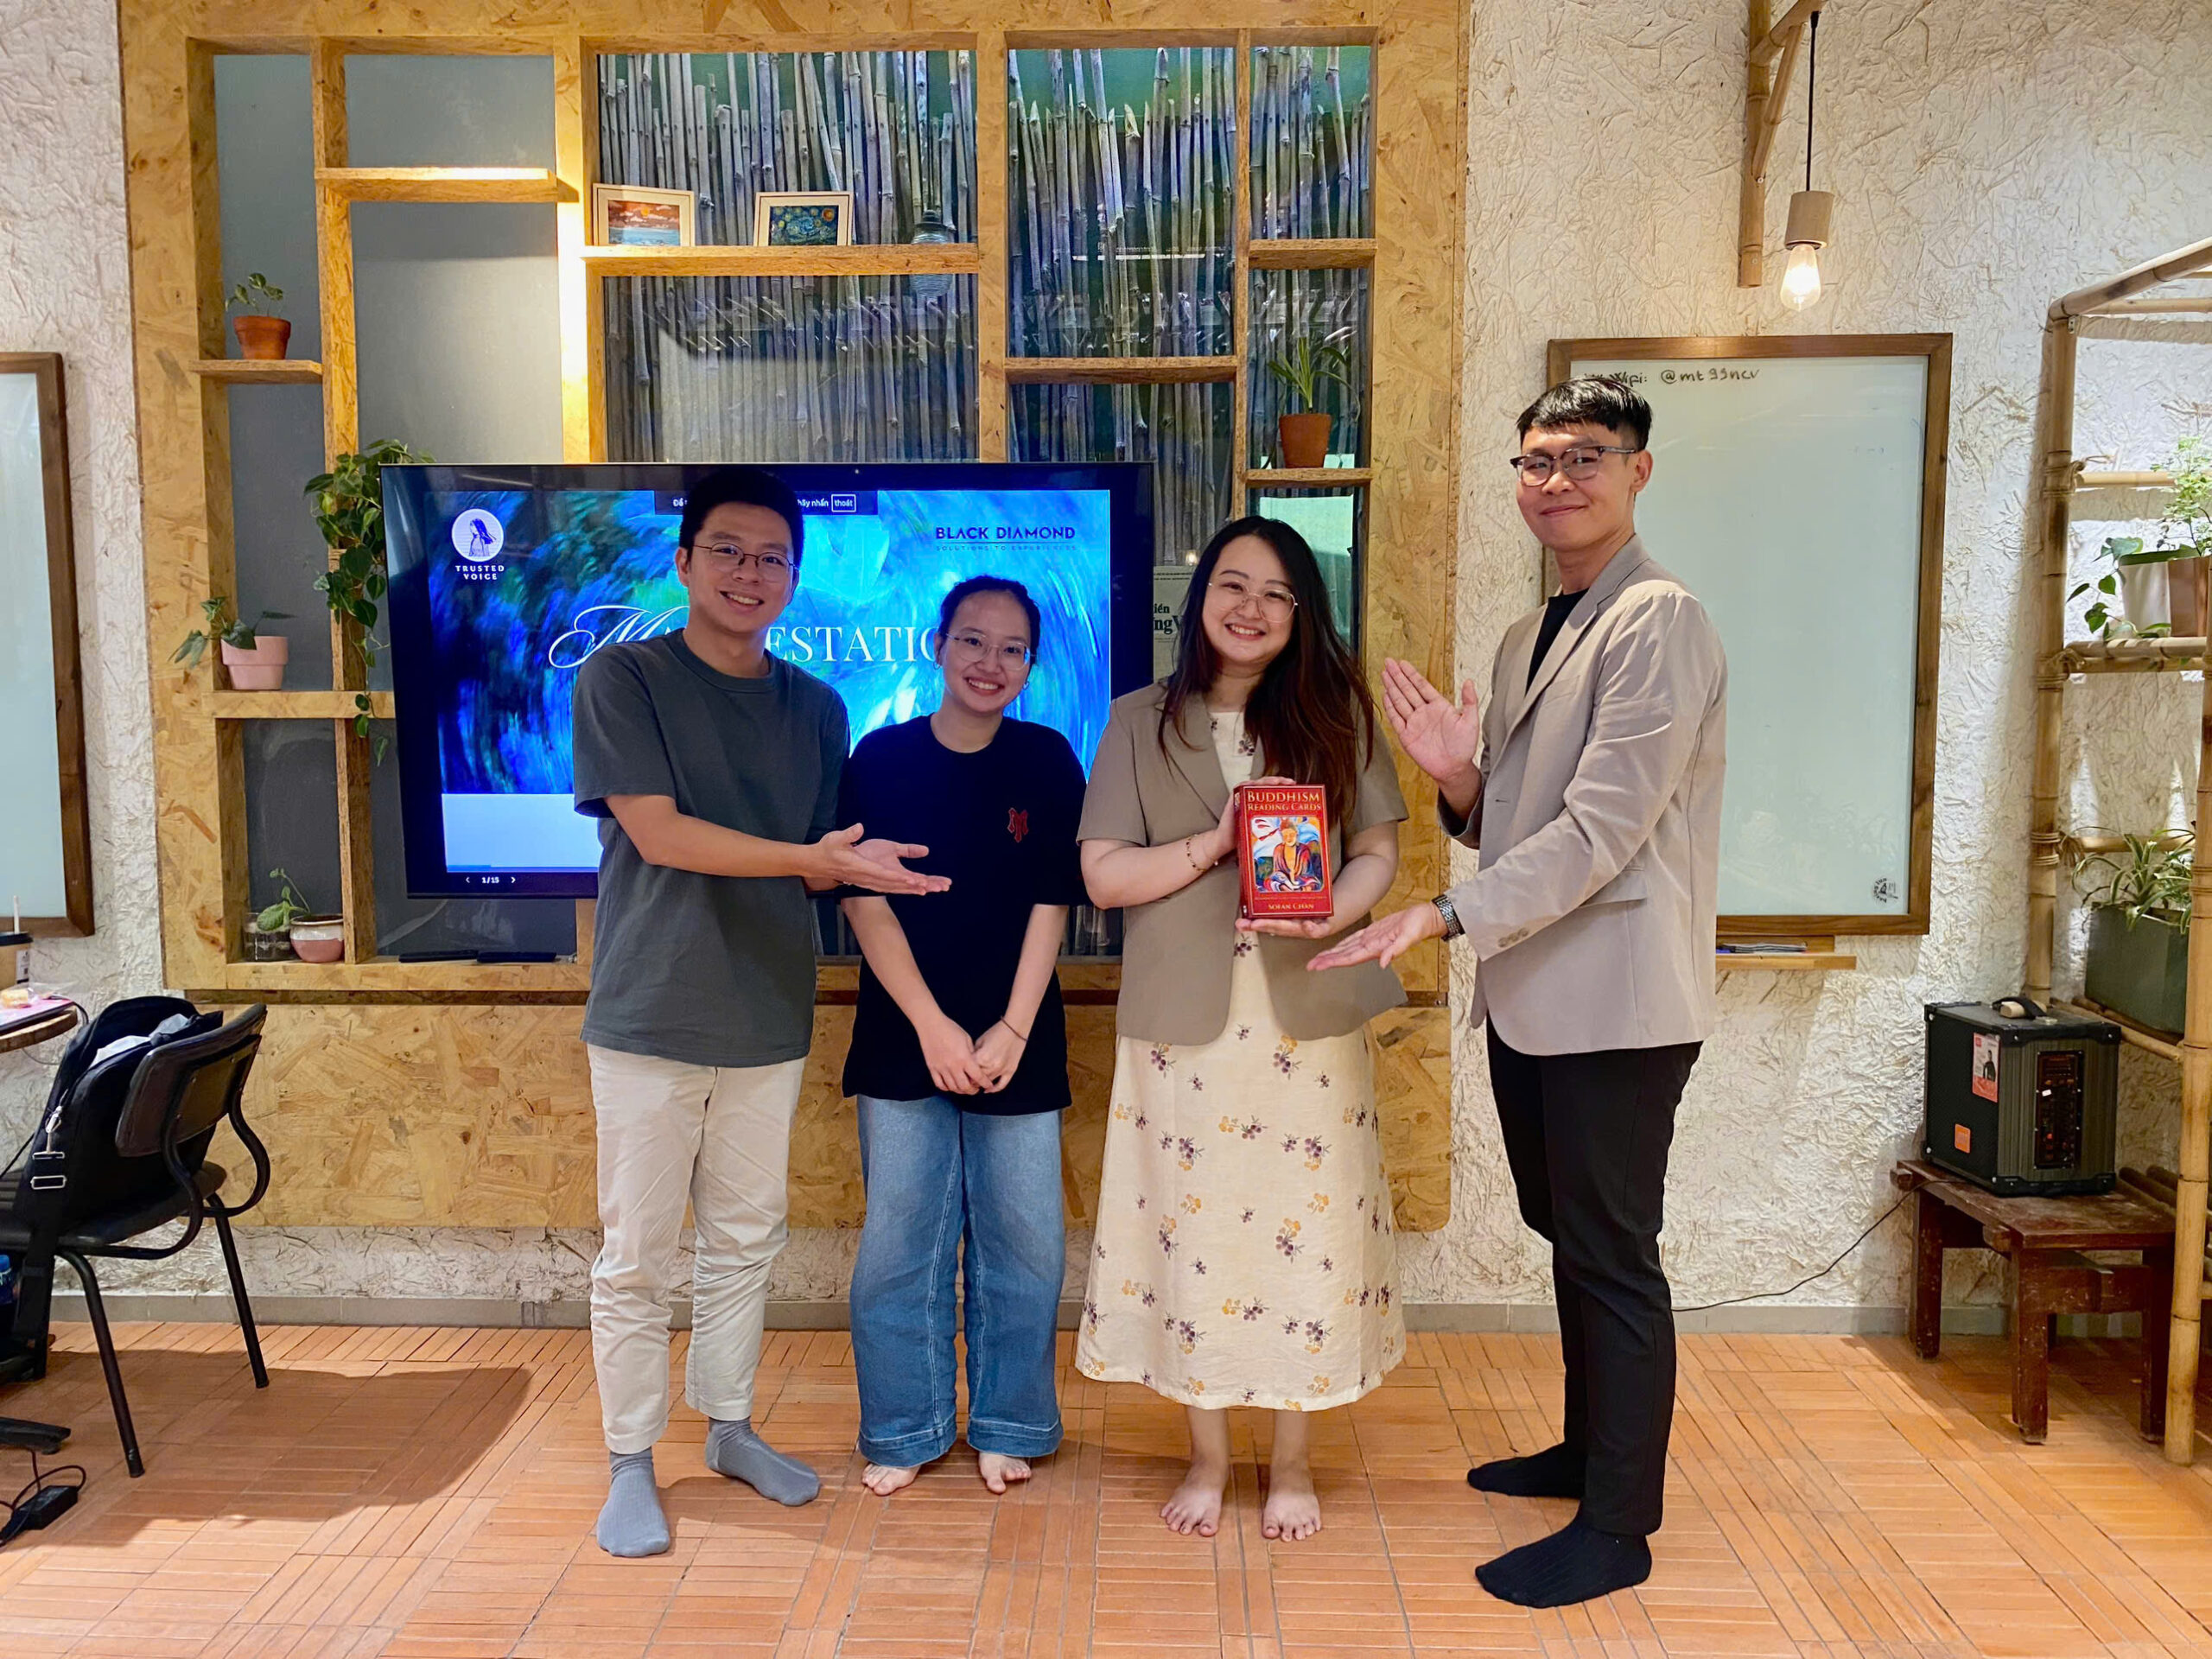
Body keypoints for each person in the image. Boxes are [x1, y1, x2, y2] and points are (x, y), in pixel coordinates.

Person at [1312, 377, 1727, 1607]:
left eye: (1584, 456)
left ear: (1639, 470)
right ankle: (1586, 1454)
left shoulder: (1659, 619)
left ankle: (1620, 1525)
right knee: (1569, 1234)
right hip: (1537, 993)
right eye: (1537, 460)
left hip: (1619, 1004)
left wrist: (1440, 914)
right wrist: (1459, 784)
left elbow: (1602, 832)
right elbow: (1520, 826)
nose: (1556, 480)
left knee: (1613, 1253)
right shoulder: (1528, 632)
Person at [570, 465, 947, 1559]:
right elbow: (661, 834)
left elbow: (830, 858)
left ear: (794, 575)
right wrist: (813, 861)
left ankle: (729, 1427)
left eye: (772, 557)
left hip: (769, 1009)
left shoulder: (817, 708)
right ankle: (630, 1460)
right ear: (685, 563)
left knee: (744, 1240)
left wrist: (866, 869)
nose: (750, 573)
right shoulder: (622, 676)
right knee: (638, 1255)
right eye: (728, 551)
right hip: (649, 1011)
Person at [1077, 515, 1408, 1544]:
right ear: (1200, 598)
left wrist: (1331, 910)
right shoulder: (1137, 720)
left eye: (1275, 591)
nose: (1250, 607)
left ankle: (1293, 1460)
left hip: (1308, 1025)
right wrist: (1212, 844)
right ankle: (1209, 1457)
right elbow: (1102, 875)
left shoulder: (1335, 713)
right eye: (1232, 583)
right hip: (1182, 1028)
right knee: (1193, 1236)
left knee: (1308, 1236)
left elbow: (1379, 851)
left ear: (1300, 612)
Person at [837, 575, 1088, 1498]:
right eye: (973, 641)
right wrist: (934, 1026)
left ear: (1030, 665)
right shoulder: (881, 757)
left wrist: (1012, 1026)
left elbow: (1053, 900)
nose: (991, 662)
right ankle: (905, 1428)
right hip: (904, 1035)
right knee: (899, 1247)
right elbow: (862, 901)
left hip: (1019, 1037)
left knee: (1025, 1247)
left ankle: (1008, 1424)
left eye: (1012, 649)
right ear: (937, 646)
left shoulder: (1047, 759)